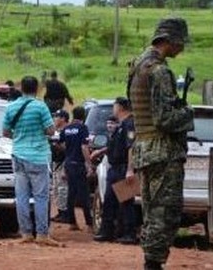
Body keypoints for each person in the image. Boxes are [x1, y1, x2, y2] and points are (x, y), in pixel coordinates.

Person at [127, 17, 194, 270]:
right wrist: (188, 113)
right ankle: (153, 263)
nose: (182, 48)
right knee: (164, 213)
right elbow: (165, 119)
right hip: (162, 151)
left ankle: (151, 261)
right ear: (169, 40)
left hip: (145, 149)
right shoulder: (159, 70)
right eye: (181, 42)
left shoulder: (138, 65)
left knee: (152, 211)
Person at [2, 76, 61, 246]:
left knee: (21, 196)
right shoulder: (40, 106)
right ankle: (42, 234)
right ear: (37, 89)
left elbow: (5, 132)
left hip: (18, 155)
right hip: (38, 156)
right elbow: (50, 131)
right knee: (41, 197)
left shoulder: (11, 107)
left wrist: (20, 137)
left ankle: (26, 233)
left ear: (21, 88)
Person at [93, 97, 138, 244]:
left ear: (121, 107)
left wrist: (130, 169)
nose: (113, 109)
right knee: (109, 202)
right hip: (114, 168)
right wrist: (102, 151)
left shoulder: (130, 124)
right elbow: (116, 146)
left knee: (126, 203)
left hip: (124, 168)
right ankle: (107, 231)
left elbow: (131, 147)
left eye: (115, 106)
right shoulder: (121, 125)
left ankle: (129, 234)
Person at [59, 105, 93, 232]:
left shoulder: (67, 129)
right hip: (79, 164)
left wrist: (68, 152)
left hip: (68, 163)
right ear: (83, 116)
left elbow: (61, 144)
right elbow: (84, 147)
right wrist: (89, 164)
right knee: (84, 194)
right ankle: (89, 224)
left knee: (71, 194)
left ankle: (72, 222)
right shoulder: (83, 128)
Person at [50, 109, 69, 224]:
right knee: (57, 188)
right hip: (57, 163)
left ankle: (65, 213)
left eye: (57, 117)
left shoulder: (66, 131)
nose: (54, 119)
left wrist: (56, 145)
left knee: (63, 188)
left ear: (63, 118)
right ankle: (60, 212)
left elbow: (67, 149)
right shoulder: (57, 131)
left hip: (64, 163)